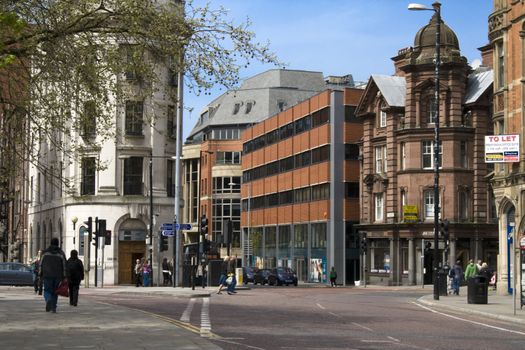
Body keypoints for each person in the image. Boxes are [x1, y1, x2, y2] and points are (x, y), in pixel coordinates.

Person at [39, 238, 67, 313]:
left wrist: (40, 274)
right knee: (55, 291)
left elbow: (40, 264)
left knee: (47, 290)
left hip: (47, 274)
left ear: (50, 243)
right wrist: (64, 276)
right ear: (58, 244)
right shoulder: (61, 253)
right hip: (58, 275)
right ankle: (53, 307)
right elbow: (64, 265)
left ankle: (48, 300)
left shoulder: (45, 253)